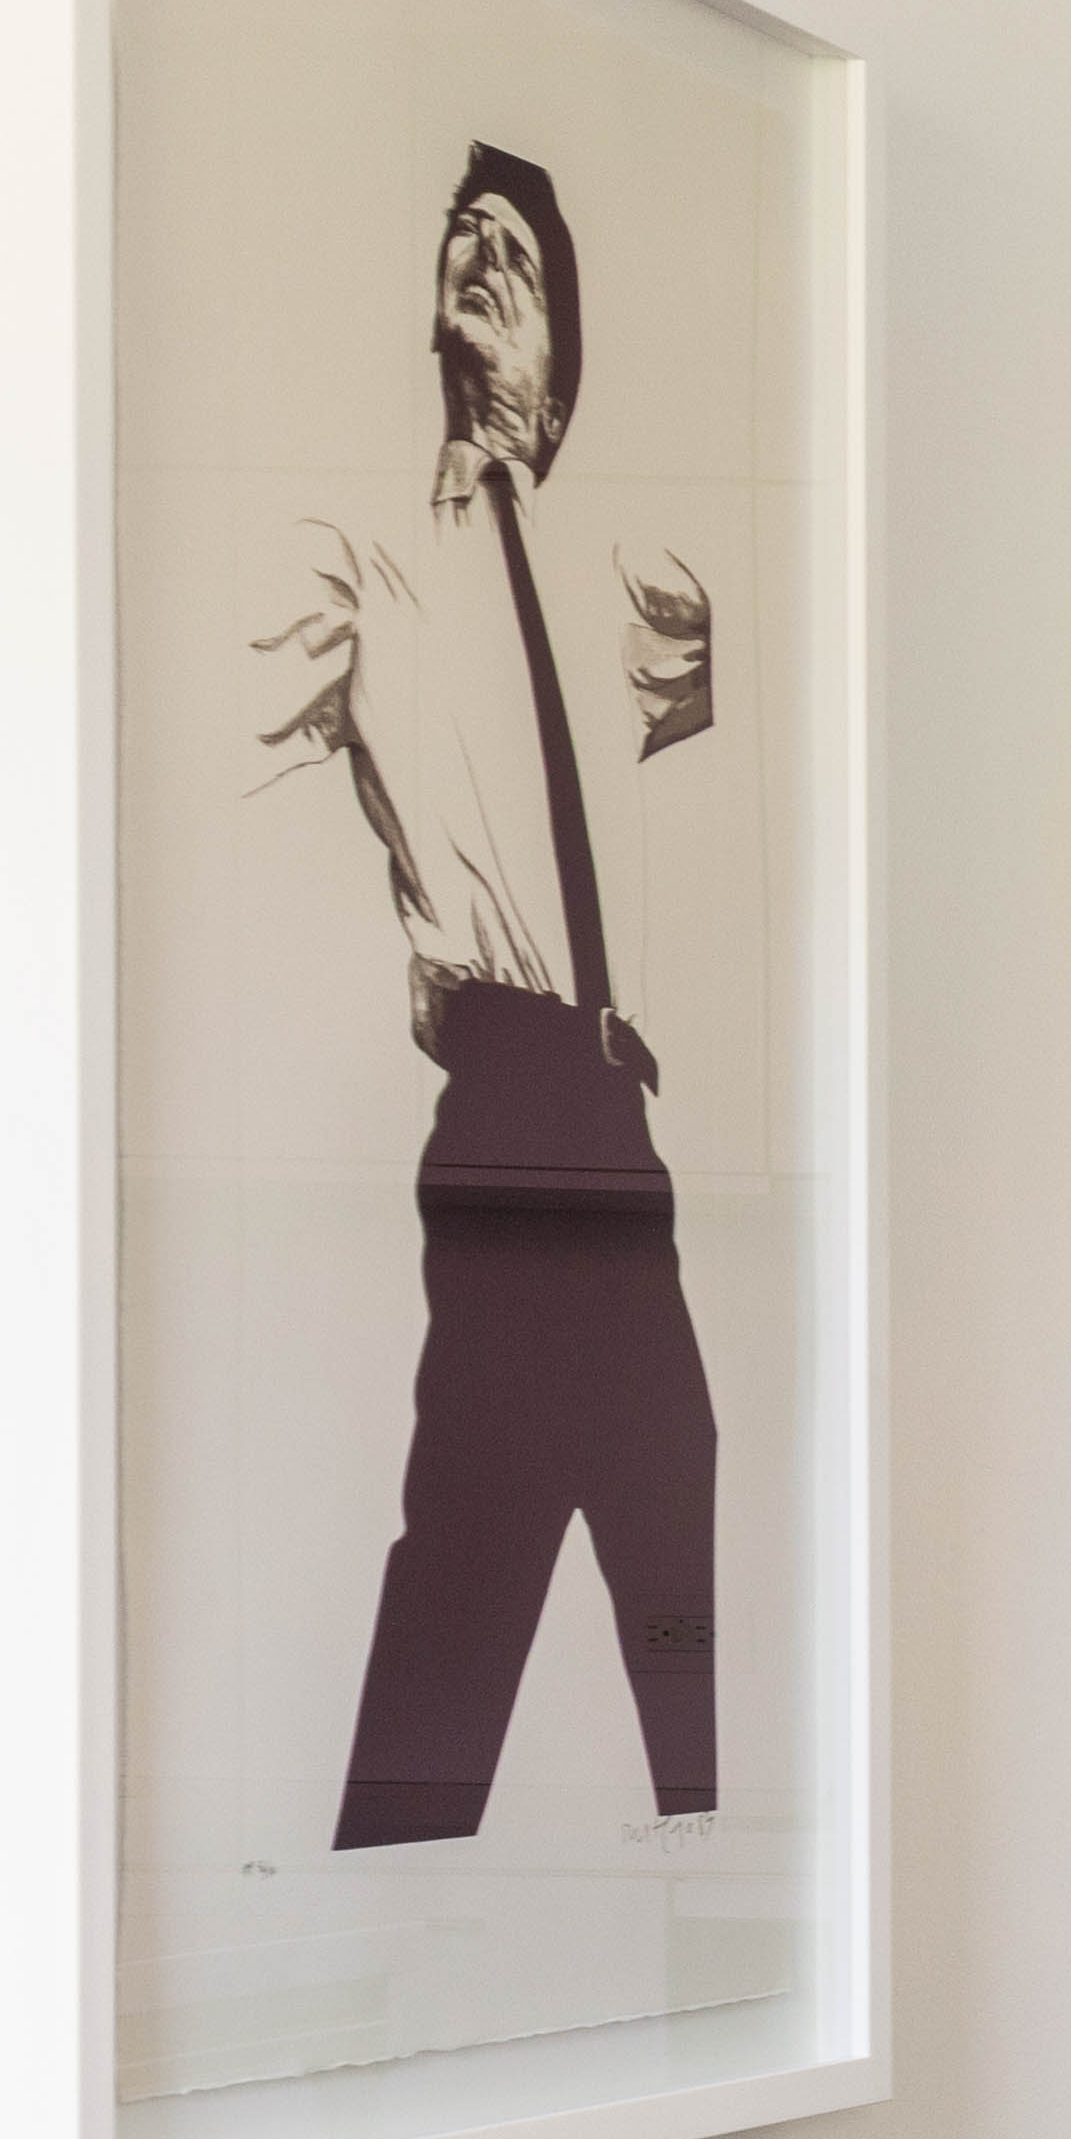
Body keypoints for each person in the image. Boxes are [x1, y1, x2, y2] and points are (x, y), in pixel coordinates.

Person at [254, 140, 722, 1849]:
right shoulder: (368, 556)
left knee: (668, 1508)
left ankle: (721, 1875)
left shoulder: (631, 592)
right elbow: (222, 751)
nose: (479, 257)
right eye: (462, 237)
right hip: (513, 1088)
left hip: (622, 1112)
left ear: (563, 352)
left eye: (519, 251)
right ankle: (383, 1881)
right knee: (478, 1528)